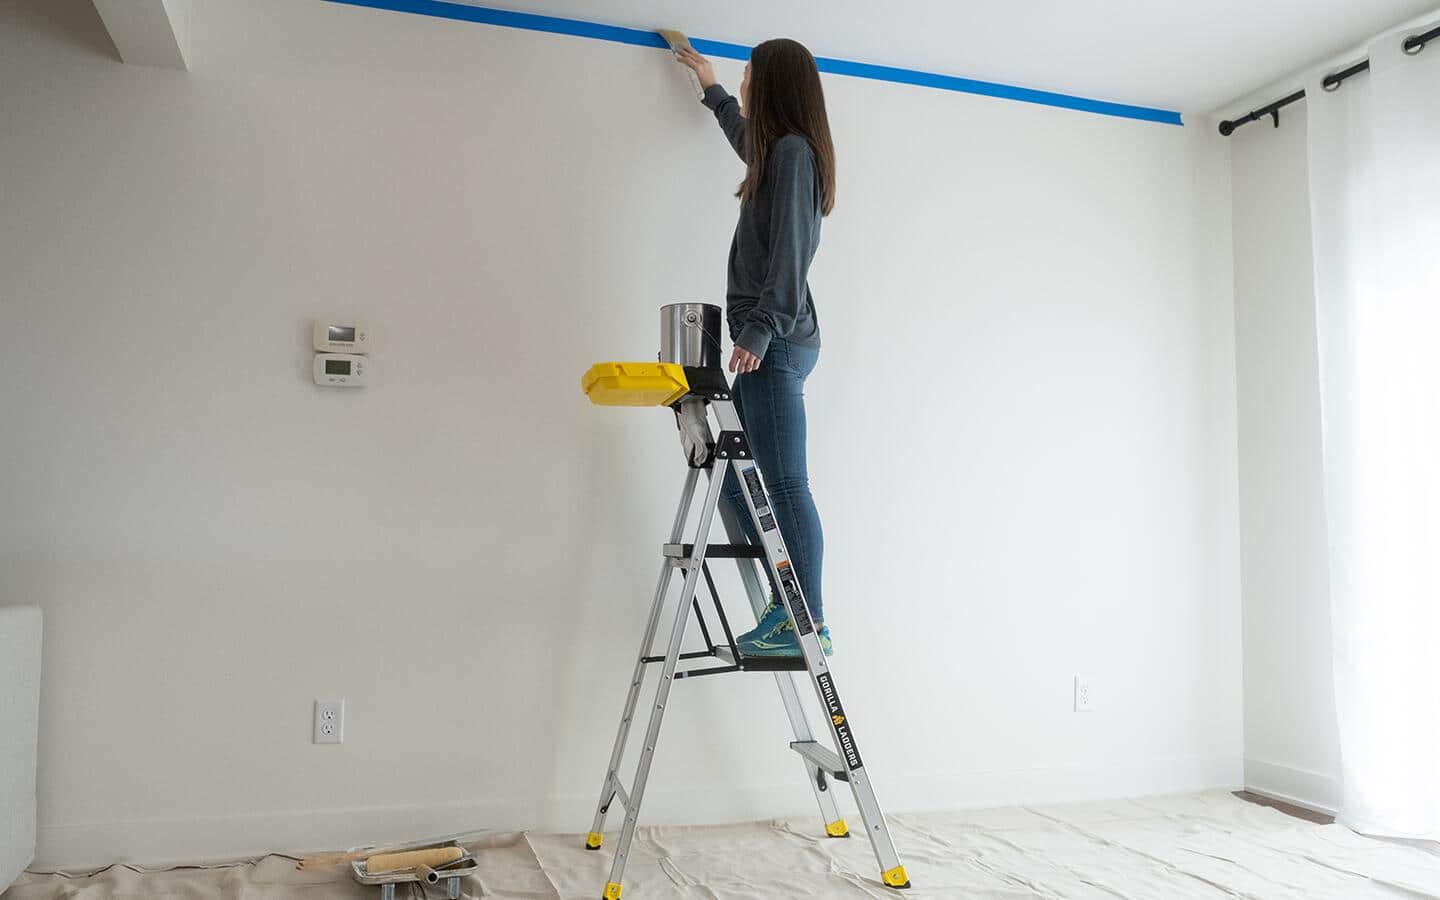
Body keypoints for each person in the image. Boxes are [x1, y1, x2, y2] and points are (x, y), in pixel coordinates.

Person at [674, 39, 835, 658]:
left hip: (775, 341)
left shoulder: (794, 154)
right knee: (740, 481)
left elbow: (793, 253)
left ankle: (807, 622)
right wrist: (709, 88)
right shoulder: (780, 154)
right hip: (773, 340)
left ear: (771, 84)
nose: (743, 85)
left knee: (784, 484)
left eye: (746, 77)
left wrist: (759, 331)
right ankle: (786, 605)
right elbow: (746, 141)